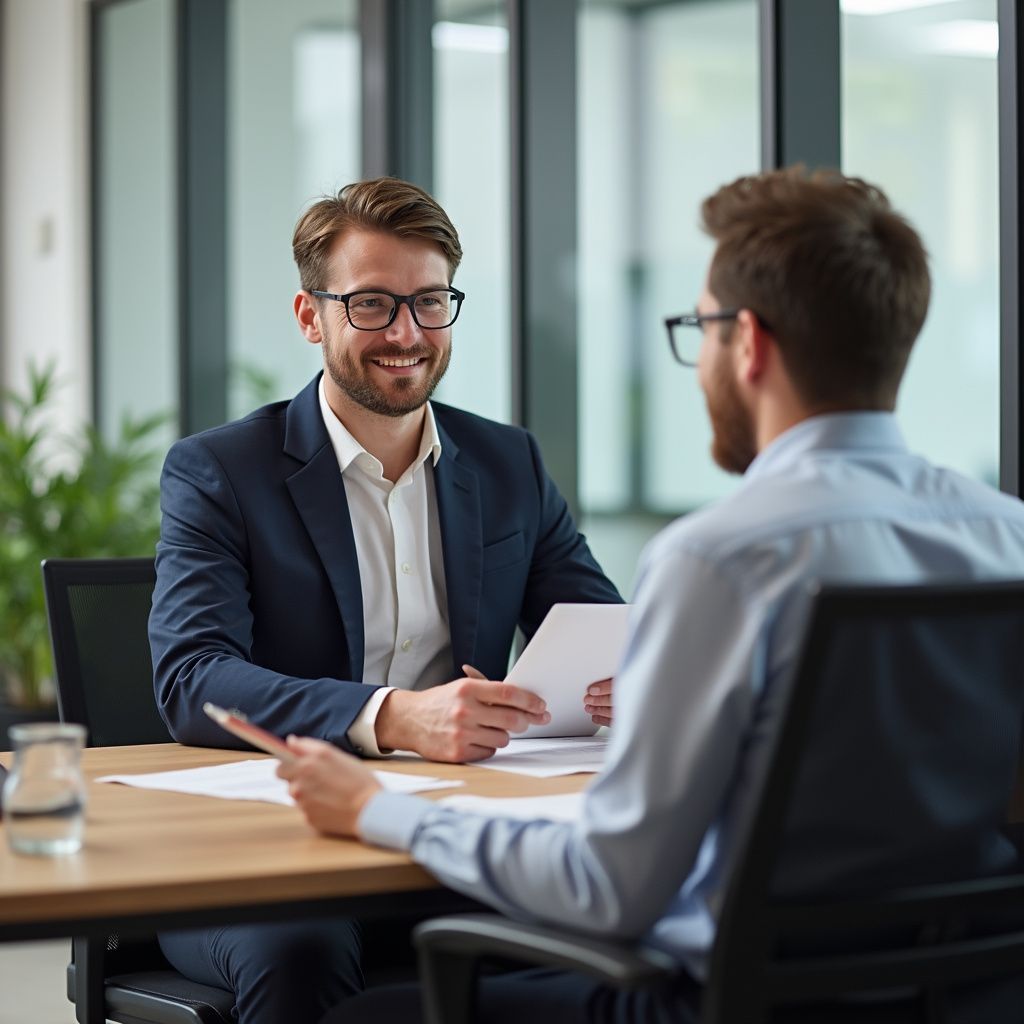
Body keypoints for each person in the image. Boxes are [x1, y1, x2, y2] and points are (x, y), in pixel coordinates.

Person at [277, 167, 1024, 1024]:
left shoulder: (723, 558)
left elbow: (610, 888)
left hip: (728, 1002)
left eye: (699, 329)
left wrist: (382, 812)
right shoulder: (1007, 539)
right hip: (969, 994)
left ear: (749, 344)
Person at [148, 176, 621, 1023]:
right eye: (372, 304)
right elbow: (192, 679)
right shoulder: (221, 470)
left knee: (620, 917)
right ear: (311, 316)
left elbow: (598, 629)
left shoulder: (508, 463)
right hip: (272, 848)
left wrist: (634, 684)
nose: (406, 333)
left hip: (462, 829)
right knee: (302, 951)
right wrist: (395, 717)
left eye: (429, 302)